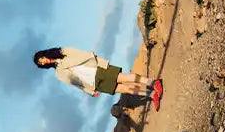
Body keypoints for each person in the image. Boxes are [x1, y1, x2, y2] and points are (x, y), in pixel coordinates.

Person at [32, 46, 163, 110]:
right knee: (125, 89)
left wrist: (93, 56)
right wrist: (89, 91)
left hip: (96, 69)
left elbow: (79, 53)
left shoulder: (62, 52)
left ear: (44, 54)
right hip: (93, 83)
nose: (44, 61)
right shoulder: (58, 73)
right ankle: (151, 94)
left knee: (125, 78)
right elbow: (75, 84)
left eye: (42, 59)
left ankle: (153, 82)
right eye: (41, 63)